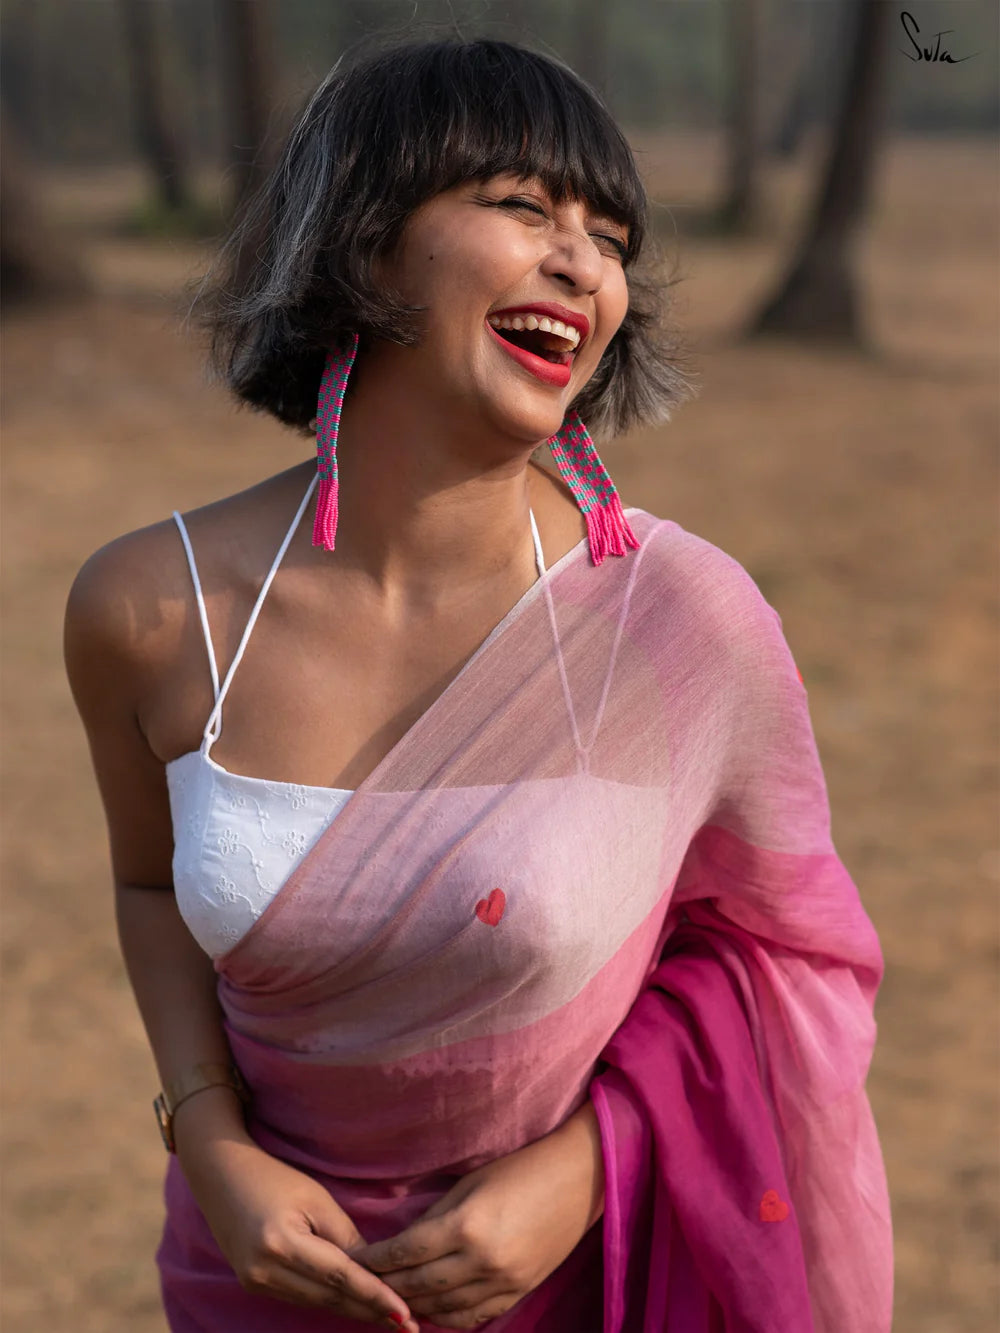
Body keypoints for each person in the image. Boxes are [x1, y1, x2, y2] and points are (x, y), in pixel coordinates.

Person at [64, 37, 893, 1333]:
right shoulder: (150, 609)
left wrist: (585, 1168)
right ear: (366, 240)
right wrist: (209, 1139)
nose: (584, 262)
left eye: (609, 233)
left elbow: (785, 962)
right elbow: (147, 882)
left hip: (584, 1286)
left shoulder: (678, 623)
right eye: (523, 208)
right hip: (252, 1290)